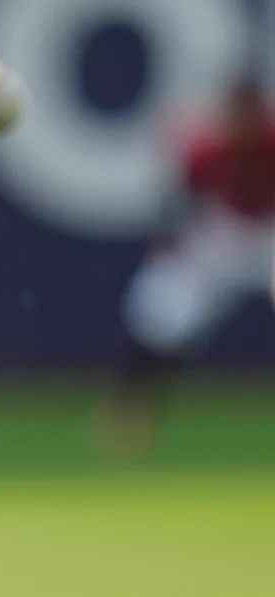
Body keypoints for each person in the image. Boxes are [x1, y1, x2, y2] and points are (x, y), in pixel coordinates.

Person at [102, 73, 275, 457]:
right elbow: (179, 202)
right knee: (163, 307)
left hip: (269, 230)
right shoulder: (206, 146)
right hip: (222, 231)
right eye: (237, 111)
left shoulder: (270, 140)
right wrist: (169, 247)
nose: (242, 120)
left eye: (249, 111)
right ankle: (131, 410)